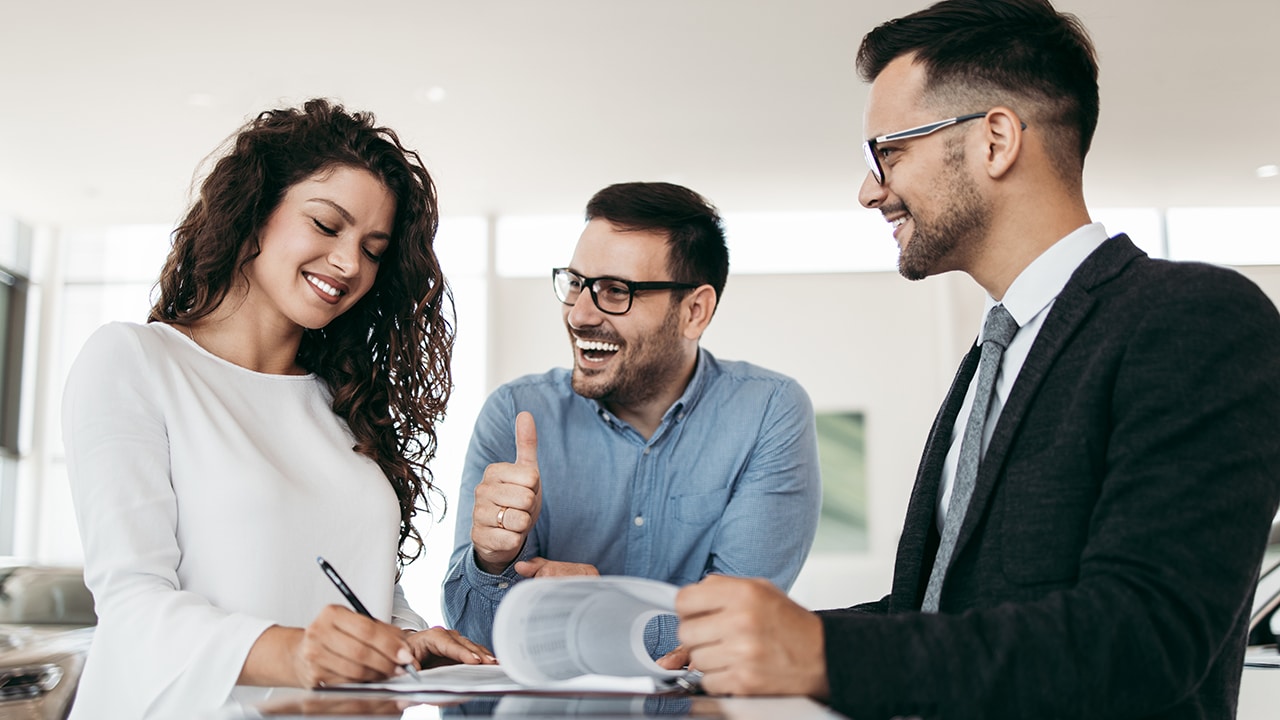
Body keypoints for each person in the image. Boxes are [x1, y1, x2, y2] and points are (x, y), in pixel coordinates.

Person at [670, 1, 1280, 718]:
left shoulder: (1196, 318)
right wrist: (752, 646)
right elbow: (939, 611)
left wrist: (819, 654)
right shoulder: (991, 359)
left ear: (995, 140)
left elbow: (1141, 638)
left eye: (887, 152)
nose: (869, 190)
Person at [62, 99, 494, 720]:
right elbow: (133, 607)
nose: (350, 264)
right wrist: (297, 654)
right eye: (326, 225)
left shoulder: (341, 406)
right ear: (257, 213)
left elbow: (353, 583)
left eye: (373, 249)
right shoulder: (134, 361)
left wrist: (405, 639)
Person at [442, 181, 822, 656]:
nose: (579, 314)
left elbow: (731, 634)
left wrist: (602, 607)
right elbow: (475, 641)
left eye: (615, 291)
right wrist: (492, 562)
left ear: (694, 312)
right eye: (576, 283)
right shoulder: (516, 413)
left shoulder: (768, 413)